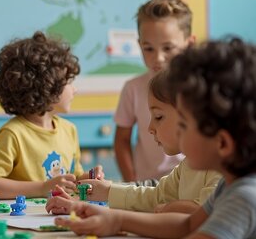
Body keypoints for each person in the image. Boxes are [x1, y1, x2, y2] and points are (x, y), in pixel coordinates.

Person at [47, 38, 256, 238]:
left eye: (183, 125)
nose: (178, 134)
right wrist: (115, 220)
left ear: (222, 143)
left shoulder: (244, 198)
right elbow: (188, 224)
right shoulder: (228, 186)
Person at [59, 70, 220, 214]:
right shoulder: (187, 166)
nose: (150, 127)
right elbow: (156, 196)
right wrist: (107, 191)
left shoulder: (220, 167)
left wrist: (171, 208)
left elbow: (207, 214)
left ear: (191, 117)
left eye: (158, 117)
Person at [0, 31, 102, 199]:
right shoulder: (13, 134)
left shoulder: (69, 130)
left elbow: (73, 179)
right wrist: (42, 187)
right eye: (68, 82)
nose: (74, 89)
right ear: (46, 86)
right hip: (23, 221)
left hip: (60, 216)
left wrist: (88, 179)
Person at [114, 0, 195, 183]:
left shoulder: (198, 89)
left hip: (189, 185)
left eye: (168, 48)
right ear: (139, 45)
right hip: (146, 185)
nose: (158, 58)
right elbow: (122, 140)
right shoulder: (133, 88)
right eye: (148, 48)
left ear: (189, 44)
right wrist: (130, 180)